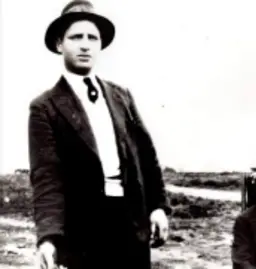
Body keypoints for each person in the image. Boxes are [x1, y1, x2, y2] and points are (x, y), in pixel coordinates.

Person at [28, 1, 171, 268]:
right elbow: (47, 177)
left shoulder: (121, 97)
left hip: (132, 228)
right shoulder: (44, 107)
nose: (85, 45)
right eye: (76, 37)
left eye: (92, 38)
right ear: (60, 44)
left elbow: (147, 155)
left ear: (101, 45)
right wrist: (48, 238)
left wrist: (159, 207)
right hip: (82, 236)